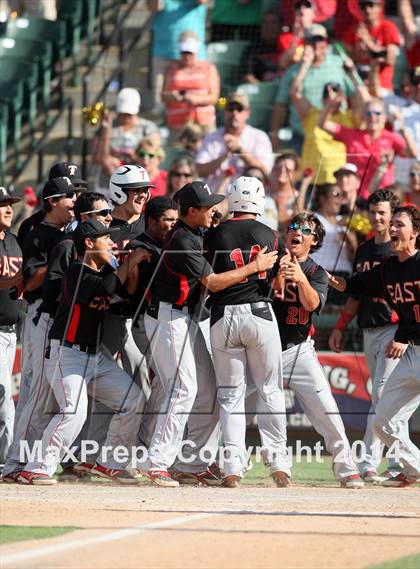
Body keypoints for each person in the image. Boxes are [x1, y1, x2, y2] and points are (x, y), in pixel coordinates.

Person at [142, 181, 278, 487]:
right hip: (167, 316)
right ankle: (157, 461)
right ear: (191, 211)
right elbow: (213, 283)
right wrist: (254, 266)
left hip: (184, 317)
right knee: (183, 388)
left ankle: (192, 463)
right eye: (207, 207)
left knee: (208, 392)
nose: (214, 210)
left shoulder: (193, 232)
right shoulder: (182, 240)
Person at [18, 220, 151, 485]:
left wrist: (133, 263)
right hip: (67, 355)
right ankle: (37, 466)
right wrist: (130, 261)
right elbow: (104, 288)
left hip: (95, 357)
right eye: (105, 239)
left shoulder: (103, 272)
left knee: (133, 398)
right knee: (73, 412)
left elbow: (125, 289)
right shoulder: (75, 271)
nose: (112, 243)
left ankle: (111, 462)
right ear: (89, 243)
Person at [205, 176, 290, 488]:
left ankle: (231, 467)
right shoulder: (270, 234)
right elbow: (280, 284)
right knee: (270, 390)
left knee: (230, 396)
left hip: (221, 315)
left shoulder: (213, 235)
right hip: (259, 312)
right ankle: (279, 463)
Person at [328, 205, 420, 487]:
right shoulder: (388, 270)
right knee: (382, 420)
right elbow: (353, 285)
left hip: (409, 344)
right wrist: (326, 277)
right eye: (391, 224)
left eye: (400, 224)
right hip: (412, 352)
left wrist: (402, 336)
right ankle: (414, 468)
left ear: (416, 233)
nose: (392, 229)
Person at [272, 212, 364, 488]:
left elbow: (312, 305)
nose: (296, 232)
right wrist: (278, 274)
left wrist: (299, 277)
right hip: (263, 351)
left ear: (314, 241)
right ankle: (223, 463)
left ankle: (347, 469)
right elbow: (266, 296)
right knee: (235, 404)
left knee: (327, 411)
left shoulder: (316, 272)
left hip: (298, 350)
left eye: (305, 230)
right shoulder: (269, 261)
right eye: (293, 227)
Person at [2, 177, 77, 481]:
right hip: (40, 314)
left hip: (56, 319)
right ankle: (15, 462)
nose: (74, 201)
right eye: (68, 197)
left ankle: (27, 461)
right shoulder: (37, 234)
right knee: (33, 392)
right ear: (52, 202)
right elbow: (29, 281)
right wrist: (61, 257)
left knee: (46, 396)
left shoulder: (65, 233)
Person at [270, 24, 355, 153]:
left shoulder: (339, 64)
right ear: (304, 43)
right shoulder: (293, 71)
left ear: (326, 42)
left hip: (335, 136)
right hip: (303, 137)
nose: (316, 44)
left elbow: (355, 95)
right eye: (311, 40)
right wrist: (274, 135)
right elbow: (280, 105)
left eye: (319, 40)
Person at [319, 98, 418, 199]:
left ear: (384, 117)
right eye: (368, 113)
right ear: (363, 117)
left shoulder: (391, 138)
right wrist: (330, 104)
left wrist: (402, 129)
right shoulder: (352, 135)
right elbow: (322, 124)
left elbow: (414, 153)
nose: (372, 117)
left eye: (377, 113)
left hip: (382, 198)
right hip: (354, 198)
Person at [195, 92, 273, 191]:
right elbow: (199, 170)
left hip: (246, 200)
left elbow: (266, 171)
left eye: (239, 109)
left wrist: (240, 151)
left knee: (254, 173)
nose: (234, 113)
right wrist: (225, 156)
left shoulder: (259, 137)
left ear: (247, 113)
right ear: (224, 112)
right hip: (214, 198)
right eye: (230, 109)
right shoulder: (212, 137)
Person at [92, 88, 159, 196]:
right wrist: (106, 130)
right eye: (122, 113)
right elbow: (97, 158)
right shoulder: (106, 127)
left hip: (137, 184)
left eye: (129, 114)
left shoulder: (149, 128)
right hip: (107, 183)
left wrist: (135, 155)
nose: (125, 117)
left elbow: (155, 156)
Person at [147, 0, 208, 113]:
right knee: (160, 105)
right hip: (163, 54)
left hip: (194, 55)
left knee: (198, 101)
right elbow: (154, 6)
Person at [0, 188, 22, 471]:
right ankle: (9, 460)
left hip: (12, 331)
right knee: (4, 392)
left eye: (9, 204)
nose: (8, 209)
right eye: (2, 205)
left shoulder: (15, 241)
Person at [162, 31, 220, 139]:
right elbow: (163, 96)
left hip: (203, 123)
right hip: (177, 124)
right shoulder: (171, 69)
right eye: (184, 53)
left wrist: (195, 99)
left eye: (190, 53)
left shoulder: (208, 68)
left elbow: (215, 98)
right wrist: (173, 96)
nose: (187, 57)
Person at [17, 161, 88, 247]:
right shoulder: (32, 225)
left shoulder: (85, 221)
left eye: (77, 192)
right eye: (69, 193)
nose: (74, 198)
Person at [342, 0, 400, 94]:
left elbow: (390, 60)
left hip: (382, 87)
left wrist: (368, 42)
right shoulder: (353, 31)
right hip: (359, 85)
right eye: (363, 6)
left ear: (380, 7)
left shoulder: (388, 27)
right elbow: (347, 58)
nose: (367, 10)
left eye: (371, 5)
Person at [310, 184, 357, 275]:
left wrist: (349, 239)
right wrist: (305, 183)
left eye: (342, 195)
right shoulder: (313, 219)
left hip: (343, 275)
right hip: (320, 273)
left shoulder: (346, 222)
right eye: (336, 194)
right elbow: (297, 214)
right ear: (322, 198)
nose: (339, 199)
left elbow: (354, 255)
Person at [242, 9, 281, 83]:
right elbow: (247, 76)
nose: (269, 27)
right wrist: (262, 89)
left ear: (280, 25)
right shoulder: (253, 48)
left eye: (273, 23)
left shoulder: (286, 46)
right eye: (266, 23)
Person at [277, 0, 315, 72]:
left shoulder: (319, 34)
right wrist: (296, 37)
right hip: (291, 73)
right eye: (298, 8)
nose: (301, 8)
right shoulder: (285, 37)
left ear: (313, 15)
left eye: (307, 6)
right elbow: (282, 64)